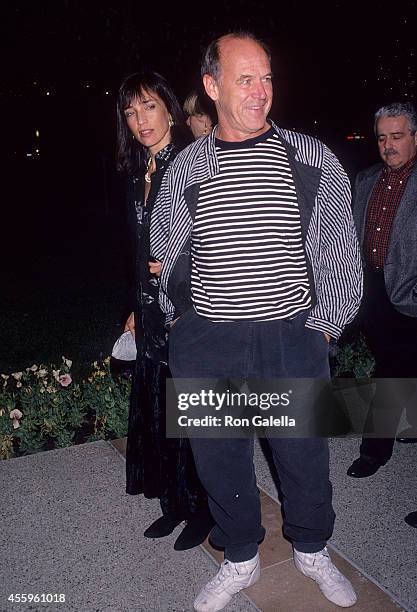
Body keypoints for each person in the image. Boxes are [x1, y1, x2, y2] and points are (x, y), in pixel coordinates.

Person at [151, 32, 362, 610]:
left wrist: (323, 327)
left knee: (304, 457)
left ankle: (313, 550)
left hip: (290, 337)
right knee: (218, 457)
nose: (261, 90)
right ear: (212, 86)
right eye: (245, 78)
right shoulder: (187, 167)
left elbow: (339, 252)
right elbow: (165, 255)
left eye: (267, 77)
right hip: (209, 339)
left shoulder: (313, 158)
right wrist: (180, 328)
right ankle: (240, 557)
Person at [116, 70, 213, 551]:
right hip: (152, 312)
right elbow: (137, 250)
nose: (140, 120)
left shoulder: (193, 163)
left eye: (149, 107)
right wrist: (135, 305)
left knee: (192, 415)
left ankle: (203, 510)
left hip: (190, 311)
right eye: (131, 113)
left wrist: (179, 262)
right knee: (162, 414)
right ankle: (174, 504)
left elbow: (221, 239)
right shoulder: (141, 171)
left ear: (170, 109)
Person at [347, 102, 417, 479]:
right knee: (395, 369)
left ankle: (374, 451)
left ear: (416, 138)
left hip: (411, 296)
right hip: (373, 292)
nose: (389, 145)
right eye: (382, 138)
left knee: (391, 373)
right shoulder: (366, 179)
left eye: (398, 136)